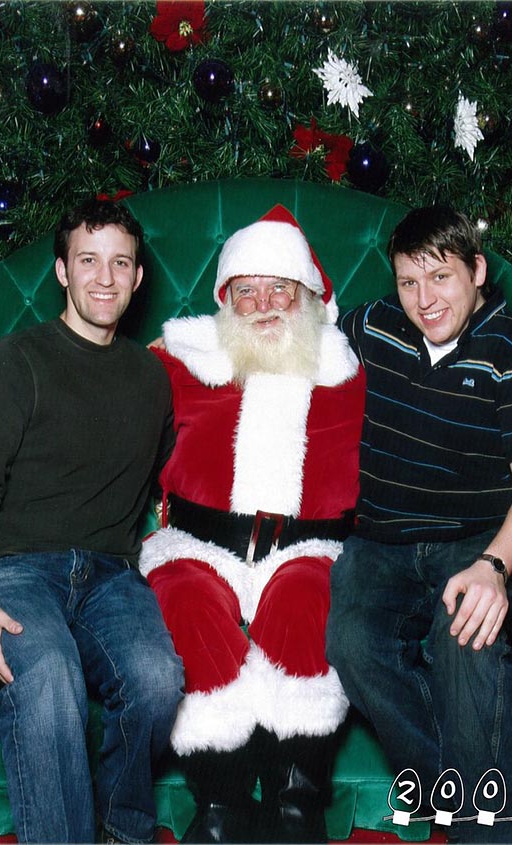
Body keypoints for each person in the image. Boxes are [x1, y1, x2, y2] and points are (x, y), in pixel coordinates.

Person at [326, 206, 512, 844]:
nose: (425, 300)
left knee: (468, 647)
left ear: (477, 271)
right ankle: (456, 795)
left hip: (482, 539)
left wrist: (493, 570)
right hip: (382, 537)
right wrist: (187, 347)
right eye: (409, 282)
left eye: (441, 278)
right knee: (351, 641)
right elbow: (295, 337)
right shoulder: (375, 325)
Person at [139, 205, 365, 843]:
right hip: (198, 542)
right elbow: (100, 391)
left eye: (279, 289)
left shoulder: (350, 372)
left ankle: (300, 796)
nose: (264, 304)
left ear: (309, 295)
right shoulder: (182, 362)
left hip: (308, 544)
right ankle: (221, 797)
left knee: (304, 600)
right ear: (224, 299)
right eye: (247, 291)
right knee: (182, 600)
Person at [0, 199, 184, 844]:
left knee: (157, 679)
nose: (106, 279)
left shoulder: (152, 375)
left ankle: (124, 829)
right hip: (17, 570)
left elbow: (190, 464)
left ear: (139, 277)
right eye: (89, 261)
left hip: (112, 575)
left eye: (121, 263)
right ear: (62, 271)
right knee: (50, 675)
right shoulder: (14, 362)